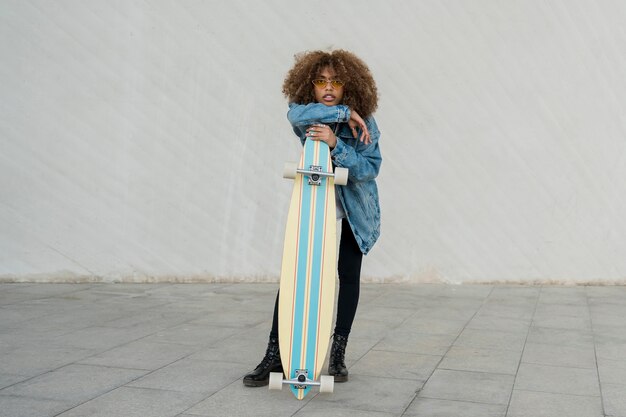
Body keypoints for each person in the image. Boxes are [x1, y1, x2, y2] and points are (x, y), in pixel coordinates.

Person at [243, 49, 382, 386]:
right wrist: (343, 113)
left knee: (347, 276)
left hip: (356, 209)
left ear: (350, 85)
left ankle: (337, 354)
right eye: (321, 81)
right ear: (310, 85)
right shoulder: (307, 116)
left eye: (337, 81)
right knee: (294, 272)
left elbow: (370, 169)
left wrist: (338, 144)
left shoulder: (366, 124)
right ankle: (275, 355)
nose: (329, 87)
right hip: (314, 202)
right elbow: (294, 117)